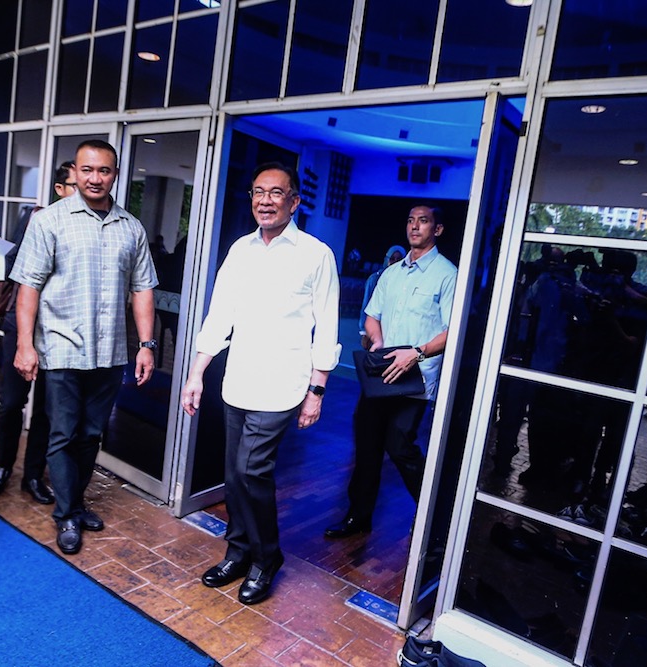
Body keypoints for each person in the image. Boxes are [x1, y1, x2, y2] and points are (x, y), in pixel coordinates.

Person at [180, 162, 341, 605]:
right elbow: (220, 316)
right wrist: (196, 373)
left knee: (252, 469)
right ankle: (238, 551)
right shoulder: (240, 250)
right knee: (234, 474)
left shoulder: (316, 255)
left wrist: (317, 390)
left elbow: (327, 327)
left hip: (283, 383)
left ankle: (267, 558)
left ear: (294, 201)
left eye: (275, 192)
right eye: (258, 192)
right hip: (239, 379)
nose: (265, 201)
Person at [10, 139, 158, 556]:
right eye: (87, 170)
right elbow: (28, 287)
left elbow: (142, 289)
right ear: (74, 172)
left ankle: (74, 502)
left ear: (116, 175)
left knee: (92, 434)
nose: (95, 178)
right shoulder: (50, 221)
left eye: (104, 170)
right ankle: (67, 515)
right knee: (62, 433)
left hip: (110, 350)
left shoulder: (131, 228)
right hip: (61, 347)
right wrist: (24, 344)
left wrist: (146, 345)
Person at [326, 205, 457, 538]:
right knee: (367, 445)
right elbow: (373, 316)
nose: (415, 226)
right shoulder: (392, 273)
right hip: (380, 376)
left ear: (437, 229)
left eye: (423, 221)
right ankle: (359, 517)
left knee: (400, 447)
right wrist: (379, 341)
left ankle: (435, 520)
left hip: (415, 379)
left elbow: (453, 331)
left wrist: (416, 352)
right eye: (411, 220)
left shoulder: (447, 274)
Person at [0, 162, 78, 504]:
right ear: (59, 189)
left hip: (59, 331)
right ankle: (3, 466)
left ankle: (33, 475)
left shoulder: (89, 229)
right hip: (20, 323)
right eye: (74, 184)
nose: (82, 190)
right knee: (11, 402)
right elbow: (13, 264)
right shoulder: (37, 219)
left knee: (47, 410)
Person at [359, 244, 405, 348]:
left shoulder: (406, 282)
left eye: (399, 259)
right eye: (392, 259)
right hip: (375, 330)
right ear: (387, 259)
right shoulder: (375, 279)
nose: (395, 262)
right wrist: (364, 332)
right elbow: (366, 305)